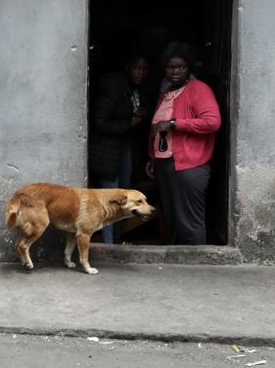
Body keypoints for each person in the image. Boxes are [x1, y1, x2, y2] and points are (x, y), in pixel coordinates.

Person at [146, 42, 221, 245]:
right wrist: (153, 157)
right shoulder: (168, 91)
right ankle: (177, 265)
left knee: (189, 221)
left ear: (190, 68)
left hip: (189, 166)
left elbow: (212, 121)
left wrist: (174, 123)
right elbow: (157, 127)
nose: (176, 71)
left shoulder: (199, 90)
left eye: (181, 67)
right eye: (171, 67)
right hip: (166, 163)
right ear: (165, 70)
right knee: (172, 218)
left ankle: (197, 267)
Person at [88, 52, 154, 243]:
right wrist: (127, 124)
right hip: (106, 149)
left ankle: (116, 239)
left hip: (124, 145)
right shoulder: (113, 88)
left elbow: (142, 106)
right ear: (127, 68)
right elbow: (99, 122)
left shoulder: (138, 89)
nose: (140, 73)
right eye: (136, 68)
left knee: (125, 195)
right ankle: (109, 245)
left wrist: (144, 112)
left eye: (144, 69)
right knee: (112, 198)